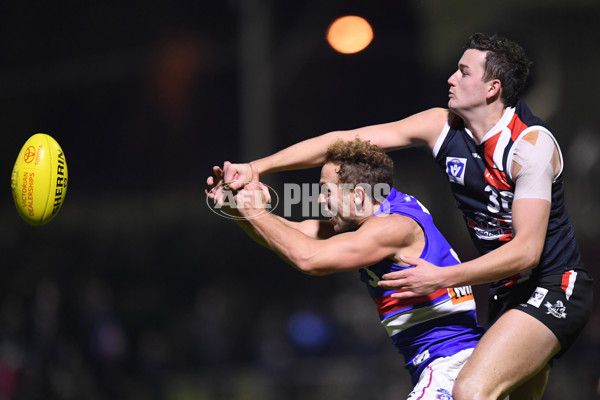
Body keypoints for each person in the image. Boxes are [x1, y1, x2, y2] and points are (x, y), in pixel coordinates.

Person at [207, 32, 593, 399]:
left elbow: (527, 252)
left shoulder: (530, 147)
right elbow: (339, 145)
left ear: (492, 88)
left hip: (555, 285)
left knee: (471, 391)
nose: (450, 77)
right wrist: (256, 169)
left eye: (463, 71)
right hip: (507, 295)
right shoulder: (440, 126)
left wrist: (442, 277)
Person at [210, 138, 483, 400]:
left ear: (359, 195)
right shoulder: (379, 212)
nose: (319, 201)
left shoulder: (392, 227)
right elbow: (288, 235)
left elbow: (308, 258)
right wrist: (238, 206)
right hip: (444, 365)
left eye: (326, 191)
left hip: (452, 366)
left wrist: (253, 210)